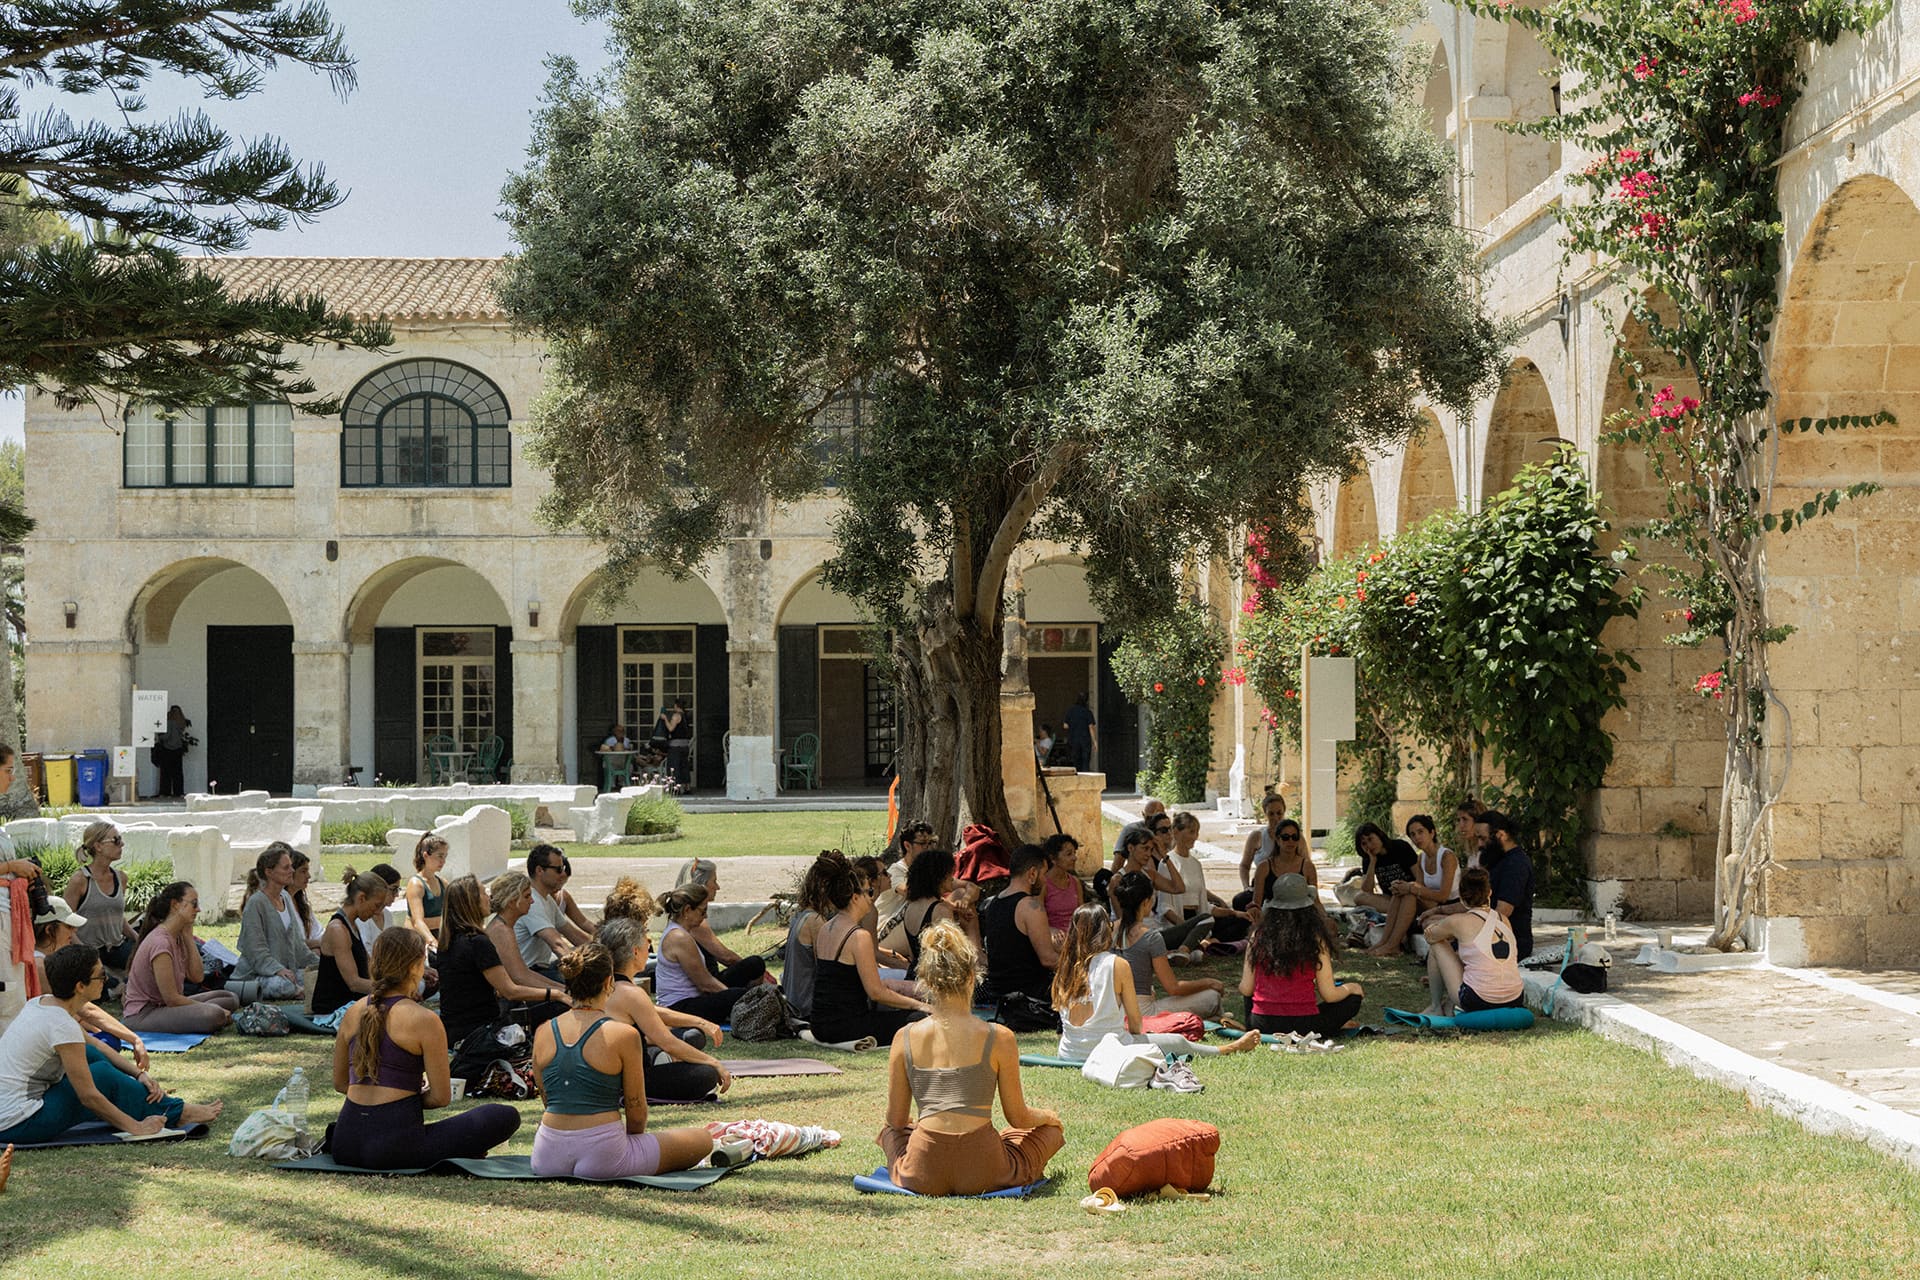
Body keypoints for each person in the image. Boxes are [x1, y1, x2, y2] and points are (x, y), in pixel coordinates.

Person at [530, 943, 752, 1180]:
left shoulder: (544, 1031)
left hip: (546, 1157)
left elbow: (547, 1097)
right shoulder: (623, 1034)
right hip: (604, 1157)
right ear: (608, 983)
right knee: (702, 1139)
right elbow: (636, 1110)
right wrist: (631, 1145)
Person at [880, 921, 1064, 1196]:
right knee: (1050, 1132)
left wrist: (916, 1128)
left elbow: (895, 1121)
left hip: (923, 1171)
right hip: (985, 1170)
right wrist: (1049, 1117)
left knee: (890, 1132)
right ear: (971, 977)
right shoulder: (999, 1037)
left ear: (926, 982)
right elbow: (1019, 1117)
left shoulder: (903, 1037)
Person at [329, 927, 521, 1169]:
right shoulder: (424, 1019)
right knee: (503, 1116)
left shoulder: (352, 1012)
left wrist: (387, 1093)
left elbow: (341, 1084)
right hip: (394, 1147)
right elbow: (440, 1097)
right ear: (415, 966)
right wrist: (403, 1098)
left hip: (345, 1142)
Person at [0, 944, 223, 1145]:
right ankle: (177, 1112)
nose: (105, 980)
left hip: (10, 1113)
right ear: (80, 986)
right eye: (101, 975)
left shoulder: (40, 1004)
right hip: (18, 1123)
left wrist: (139, 1075)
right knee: (102, 1076)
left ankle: (166, 1105)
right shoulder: (61, 1025)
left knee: (92, 1056)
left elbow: (96, 1048)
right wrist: (136, 1128)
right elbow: (88, 1096)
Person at [1053, 905, 1259, 1061]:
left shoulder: (1065, 967)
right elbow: (1136, 1024)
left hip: (1069, 1052)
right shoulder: (1116, 964)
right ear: (1107, 931)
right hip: (1108, 1049)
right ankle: (1229, 1048)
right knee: (1176, 1041)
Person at [598, 917, 730, 1102]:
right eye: (646, 943)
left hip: (607, 1073)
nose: (649, 947)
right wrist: (714, 1062)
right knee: (706, 1073)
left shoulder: (605, 985)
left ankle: (661, 1059)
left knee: (691, 1036)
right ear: (635, 952)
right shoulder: (630, 993)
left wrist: (700, 1022)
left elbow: (650, 1011)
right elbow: (668, 1042)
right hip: (626, 1080)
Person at [808, 853, 929, 1044]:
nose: (872, 898)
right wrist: (920, 1005)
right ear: (855, 897)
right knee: (922, 1019)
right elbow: (876, 992)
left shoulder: (826, 928)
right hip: (847, 1026)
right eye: (869, 892)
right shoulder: (858, 936)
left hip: (819, 1024)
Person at [439, 874, 568, 1049]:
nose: (489, 898)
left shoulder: (451, 940)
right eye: (484, 893)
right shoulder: (480, 940)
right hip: (478, 1031)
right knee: (558, 1006)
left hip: (457, 1028)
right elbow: (512, 988)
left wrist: (561, 989)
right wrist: (559, 993)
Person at [1240, 874, 1366, 1036]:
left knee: (1251, 996)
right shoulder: (1315, 939)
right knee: (1353, 998)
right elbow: (1329, 995)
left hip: (1261, 1024)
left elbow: (1246, 988)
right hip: (1304, 1026)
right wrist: (1351, 988)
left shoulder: (1258, 935)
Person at [31, 898, 150, 1061]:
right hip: (49, 1044)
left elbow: (82, 1011)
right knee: (107, 1044)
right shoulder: (40, 965)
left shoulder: (47, 960)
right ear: (49, 930)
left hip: (62, 1034)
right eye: (68, 927)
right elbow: (85, 1010)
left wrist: (130, 1037)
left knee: (109, 1039)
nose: (74, 931)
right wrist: (133, 1039)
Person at [121, 882, 238, 1034]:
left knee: (230, 998)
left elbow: (197, 977)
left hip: (165, 1006)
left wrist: (188, 937)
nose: (198, 909)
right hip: (144, 1014)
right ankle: (214, 1015)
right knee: (214, 1014)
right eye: (194, 904)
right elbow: (171, 999)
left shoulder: (177, 936)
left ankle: (213, 1013)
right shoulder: (160, 942)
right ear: (175, 905)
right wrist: (208, 1008)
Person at [1110, 871, 1227, 1019]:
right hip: (1142, 1013)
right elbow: (1173, 988)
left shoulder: (1108, 930)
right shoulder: (1151, 937)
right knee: (1212, 996)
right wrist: (1209, 982)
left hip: (1111, 1009)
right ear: (1146, 902)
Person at [1420, 868, 1524, 1016]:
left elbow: (1430, 936)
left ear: (1462, 898)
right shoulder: (1504, 920)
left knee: (1437, 944)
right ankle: (1448, 1005)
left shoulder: (1457, 921)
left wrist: (1445, 930)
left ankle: (1435, 1007)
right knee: (1475, 957)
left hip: (1478, 1000)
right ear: (1489, 893)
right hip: (1515, 998)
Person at [655, 886, 756, 1022]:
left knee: (754, 964)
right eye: (703, 912)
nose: (705, 916)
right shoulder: (679, 937)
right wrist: (734, 997)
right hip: (679, 1007)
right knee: (739, 995)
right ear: (687, 910)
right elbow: (705, 984)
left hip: (695, 996)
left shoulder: (683, 932)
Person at [1365, 814, 1461, 957]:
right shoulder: (1422, 858)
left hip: (1449, 905)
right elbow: (1420, 886)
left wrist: (1411, 888)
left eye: (1420, 832)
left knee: (1410, 893)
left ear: (1432, 833)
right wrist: (1402, 886)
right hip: (1432, 904)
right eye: (1413, 835)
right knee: (1401, 892)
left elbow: (1443, 895)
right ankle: (1384, 941)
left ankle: (1393, 945)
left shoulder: (1446, 856)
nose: (1417, 838)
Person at [230, 843, 315, 1004]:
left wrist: (318, 964)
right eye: (286, 867)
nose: (291, 871)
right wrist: (277, 969)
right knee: (283, 985)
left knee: (318, 976)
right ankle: (298, 991)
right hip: (257, 975)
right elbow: (255, 950)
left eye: (291, 866)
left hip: (286, 972)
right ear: (269, 872)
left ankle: (300, 990)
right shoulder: (256, 903)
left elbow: (298, 945)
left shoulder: (286, 898)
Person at [979, 844, 1058, 1005]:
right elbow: (1048, 960)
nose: (1045, 880)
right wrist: (1081, 966)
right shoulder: (1030, 906)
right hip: (1029, 993)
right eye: (1044, 874)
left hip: (998, 990)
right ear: (1032, 873)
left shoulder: (993, 903)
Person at [669, 863, 767, 987]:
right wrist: (758, 972)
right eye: (714, 881)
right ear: (703, 885)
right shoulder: (694, 923)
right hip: (708, 984)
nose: (718, 887)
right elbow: (726, 957)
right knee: (755, 964)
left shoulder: (684, 918)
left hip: (706, 981)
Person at [312, 869, 388, 1017]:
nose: (377, 912)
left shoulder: (352, 925)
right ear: (361, 898)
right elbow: (353, 982)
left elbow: (369, 967)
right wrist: (391, 990)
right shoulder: (338, 930)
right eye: (376, 905)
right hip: (334, 1009)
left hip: (353, 1003)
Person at [895, 847, 979, 978]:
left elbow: (914, 954)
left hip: (916, 975)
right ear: (939, 878)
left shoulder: (910, 907)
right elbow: (950, 955)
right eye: (949, 874)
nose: (952, 879)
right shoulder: (941, 910)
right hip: (936, 980)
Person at [65, 823, 138, 972]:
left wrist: (140, 939)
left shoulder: (121, 878)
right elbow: (65, 923)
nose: (122, 844)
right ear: (98, 846)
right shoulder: (80, 880)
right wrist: (87, 955)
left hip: (118, 948)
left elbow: (117, 918)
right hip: (88, 952)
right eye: (116, 840)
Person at [516, 845, 590, 979]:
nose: (563, 874)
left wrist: (603, 952)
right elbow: (557, 944)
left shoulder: (546, 899)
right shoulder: (532, 902)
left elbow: (574, 934)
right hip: (531, 972)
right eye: (558, 869)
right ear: (539, 870)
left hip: (542, 968)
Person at [1343, 822, 1419, 947]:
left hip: (1409, 896)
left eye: (1370, 839)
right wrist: (1372, 862)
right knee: (1359, 897)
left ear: (1379, 835)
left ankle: (1404, 915)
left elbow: (1419, 878)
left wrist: (1408, 888)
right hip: (1390, 899)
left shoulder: (1400, 847)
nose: (1369, 845)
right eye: (1364, 843)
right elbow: (1367, 890)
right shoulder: (1368, 858)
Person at [1478, 811, 1536, 964]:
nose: (1480, 845)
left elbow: (1503, 911)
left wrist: (1469, 926)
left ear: (1500, 835)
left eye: (1483, 838)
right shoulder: (1498, 859)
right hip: (1491, 932)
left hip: (1509, 940)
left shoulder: (1516, 864)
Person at [1239, 791, 1291, 891]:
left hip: (1288, 887)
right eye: (1271, 814)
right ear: (1265, 814)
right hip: (1262, 886)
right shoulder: (1256, 837)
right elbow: (1244, 866)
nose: (1276, 818)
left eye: (1279, 813)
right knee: (1239, 899)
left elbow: (1306, 864)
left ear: (1284, 811)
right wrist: (1246, 887)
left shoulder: (1295, 836)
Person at [405, 835, 449, 948]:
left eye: (445, 856)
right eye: (440, 856)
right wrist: (433, 943)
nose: (443, 861)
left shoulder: (443, 883)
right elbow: (418, 922)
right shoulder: (416, 884)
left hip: (438, 937)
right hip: (418, 942)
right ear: (425, 855)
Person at [1038, 834, 1084, 933]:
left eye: (1074, 853)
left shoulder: (1075, 882)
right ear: (1053, 858)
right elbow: (1037, 919)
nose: (1074, 858)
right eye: (1069, 854)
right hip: (1053, 937)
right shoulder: (1043, 884)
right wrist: (1051, 930)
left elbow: (1081, 915)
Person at [150, 705, 193, 799]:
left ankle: (165, 792)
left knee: (166, 772)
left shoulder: (170, 722)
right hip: (178, 749)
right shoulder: (181, 722)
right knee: (178, 772)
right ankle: (178, 792)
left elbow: (167, 736)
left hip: (167, 749)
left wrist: (159, 737)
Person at [287, 850, 321, 946]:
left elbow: (317, 931)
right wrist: (318, 944)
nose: (308, 876)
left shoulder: (301, 901)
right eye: (303, 871)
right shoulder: (280, 904)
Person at [1062, 692, 1096, 772]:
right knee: (1085, 761)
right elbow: (1091, 727)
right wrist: (1094, 741)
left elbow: (1065, 726)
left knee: (1075, 761)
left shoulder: (1070, 711)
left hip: (1073, 740)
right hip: (1085, 740)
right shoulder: (1088, 712)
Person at [1454, 798, 1485, 872]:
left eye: (1465, 819)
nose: (1461, 825)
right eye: (1459, 820)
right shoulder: (1472, 854)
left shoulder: (1486, 853)